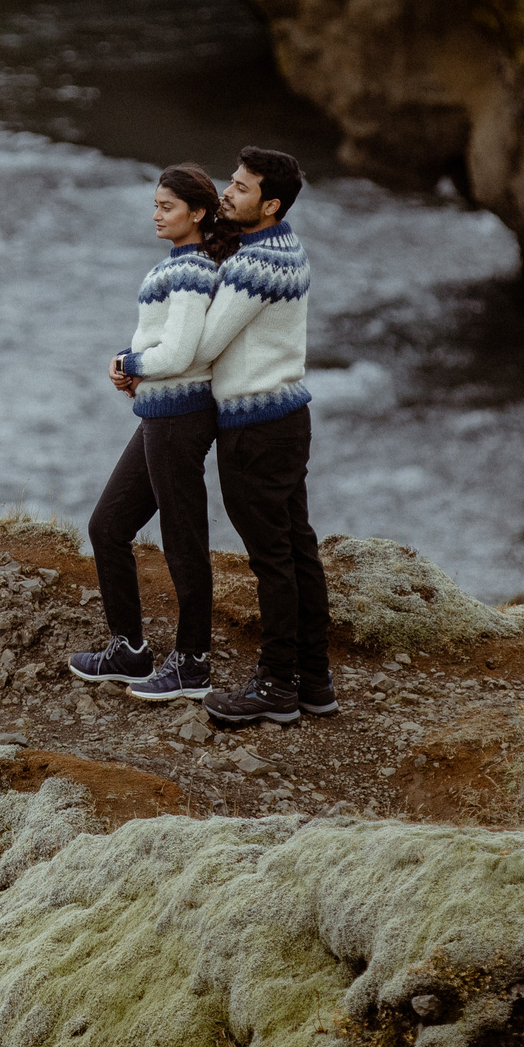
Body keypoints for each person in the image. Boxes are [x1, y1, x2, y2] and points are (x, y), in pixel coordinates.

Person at [68, 164, 236, 701]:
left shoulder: (191, 271)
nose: (157, 215)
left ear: (199, 213)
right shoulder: (180, 265)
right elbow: (169, 346)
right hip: (159, 414)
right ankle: (130, 650)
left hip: (181, 419)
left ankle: (192, 662)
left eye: (167, 206)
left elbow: (181, 353)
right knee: (108, 526)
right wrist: (132, 368)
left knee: (184, 540)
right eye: (155, 205)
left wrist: (131, 360)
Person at [195, 147, 336, 727]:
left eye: (240, 188)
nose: (226, 193)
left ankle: (278, 685)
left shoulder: (255, 266)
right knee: (297, 548)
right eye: (230, 181)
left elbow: (204, 344)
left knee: (272, 557)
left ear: (270, 204)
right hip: (285, 419)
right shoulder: (284, 247)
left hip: (255, 427)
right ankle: (314, 680)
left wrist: (137, 362)